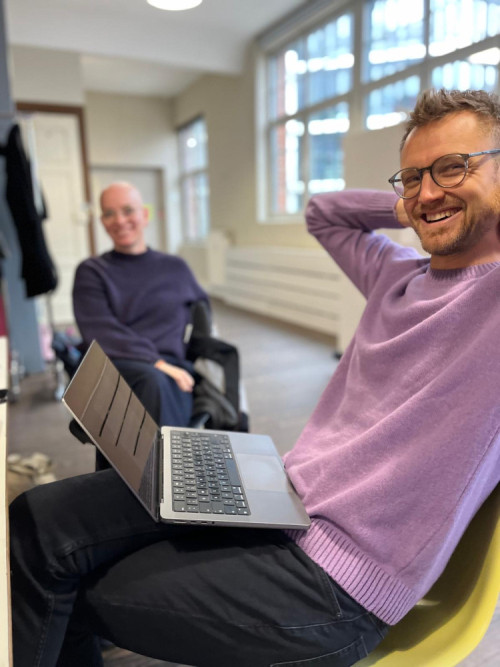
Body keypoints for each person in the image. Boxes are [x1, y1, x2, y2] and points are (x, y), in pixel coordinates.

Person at [9, 88, 500, 667]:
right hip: (278, 493)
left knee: (72, 581)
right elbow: (324, 214)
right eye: (413, 176)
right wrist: (418, 202)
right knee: (35, 519)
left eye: (454, 166)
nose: (428, 191)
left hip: (335, 581)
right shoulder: (396, 274)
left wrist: (440, 196)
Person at [72, 182, 209, 426]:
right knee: (151, 381)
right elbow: (101, 331)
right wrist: (156, 362)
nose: (119, 220)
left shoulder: (175, 268)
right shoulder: (92, 271)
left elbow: (202, 318)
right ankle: (161, 451)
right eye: (109, 213)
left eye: (128, 210)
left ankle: (169, 450)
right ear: (102, 222)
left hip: (171, 368)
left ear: (145, 215)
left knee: (167, 384)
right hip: (119, 363)